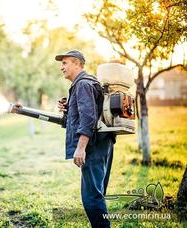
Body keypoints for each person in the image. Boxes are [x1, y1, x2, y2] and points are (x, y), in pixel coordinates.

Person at [55, 50, 114, 228]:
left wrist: (80, 148)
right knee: (96, 193)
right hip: (103, 143)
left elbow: (88, 119)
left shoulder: (82, 84)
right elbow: (88, 113)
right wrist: (68, 108)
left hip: (93, 146)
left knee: (91, 197)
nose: (61, 67)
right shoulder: (87, 83)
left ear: (76, 63)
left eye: (65, 63)